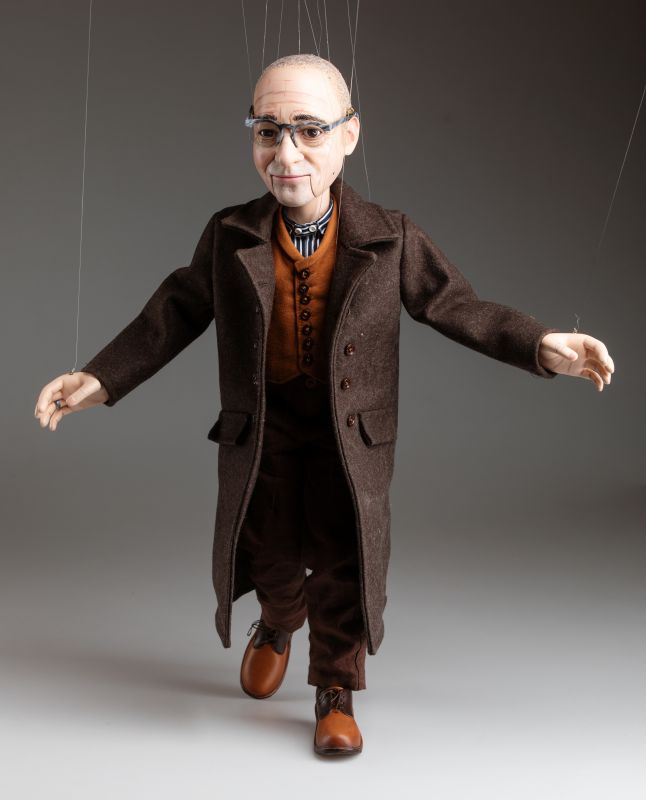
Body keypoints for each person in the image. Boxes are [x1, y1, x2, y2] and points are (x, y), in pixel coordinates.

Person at [34, 53, 615, 757]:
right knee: (268, 550)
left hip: (353, 436)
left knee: (345, 559)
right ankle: (280, 619)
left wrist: (540, 345)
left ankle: (336, 687)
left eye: (310, 131)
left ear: (350, 134)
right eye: (268, 131)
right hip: (266, 428)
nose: (287, 155)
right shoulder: (230, 234)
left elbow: (455, 304)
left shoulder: (391, 237)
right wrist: (99, 378)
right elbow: (174, 312)